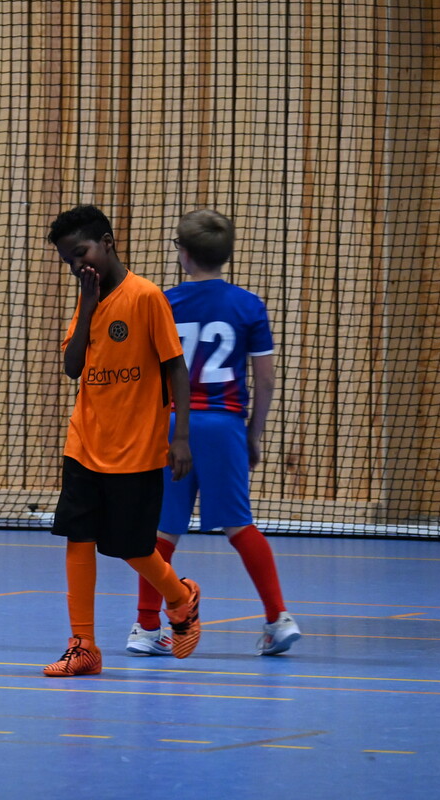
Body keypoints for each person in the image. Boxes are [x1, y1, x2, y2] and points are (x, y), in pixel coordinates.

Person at [125, 209, 301, 657]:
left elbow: (145, 374)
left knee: (161, 532)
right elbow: (265, 379)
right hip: (224, 426)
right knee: (240, 525)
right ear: (227, 254)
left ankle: (147, 629)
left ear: (183, 255)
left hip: (173, 426)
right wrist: (253, 434)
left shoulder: (162, 303)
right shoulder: (248, 305)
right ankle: (278, 619)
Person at [43, 204, 202, 677]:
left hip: (137, 447)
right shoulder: (87, 299)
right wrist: (88, 306)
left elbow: (176, 367)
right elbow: (73, 367)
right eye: (69, 260)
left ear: (108, 243)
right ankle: (83, 645)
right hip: (84, 442)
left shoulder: (146, 296)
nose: (78, 265)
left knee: (132, 547)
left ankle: (180, 597)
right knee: (79, 536)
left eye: (82, 252)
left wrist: (181, 437)